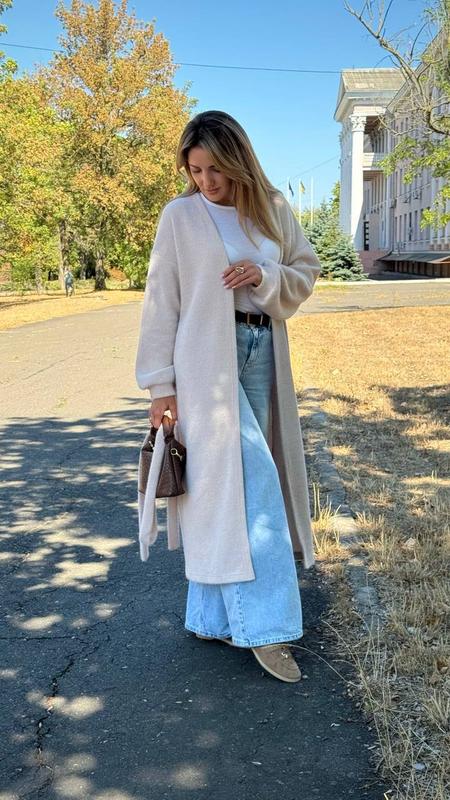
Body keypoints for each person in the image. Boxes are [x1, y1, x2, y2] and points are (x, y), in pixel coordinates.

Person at [135, 110, 321, 683]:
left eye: (215, 168)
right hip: (204, 364)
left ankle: (212, 616)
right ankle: (266, 627)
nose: (206, 181)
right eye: (195, 170)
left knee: (228, 488)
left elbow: (305, 271)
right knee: (251, 485)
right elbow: (161, 301)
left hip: (262, 349)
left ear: (238, 160)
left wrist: (264, 275)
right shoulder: (180, 215)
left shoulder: (272, 208)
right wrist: (160, 387)